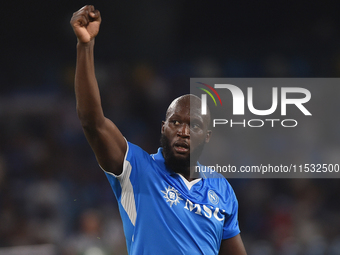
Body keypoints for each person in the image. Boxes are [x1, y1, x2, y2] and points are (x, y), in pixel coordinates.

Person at [70, 5, 247, 255]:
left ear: (206, 136)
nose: (183, 131)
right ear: (163, 128)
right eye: (175, 122)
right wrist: (85, 46)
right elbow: (92, 121)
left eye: (194, 125)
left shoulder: (221, 189)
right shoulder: (136, 169)